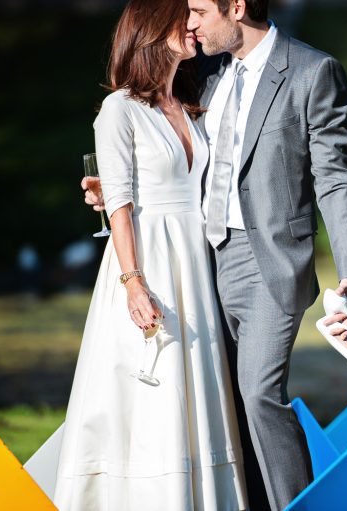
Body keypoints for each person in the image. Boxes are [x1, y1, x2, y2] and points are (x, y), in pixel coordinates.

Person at [84, 0, 347, 508]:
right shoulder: (207, 78)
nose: (190, 23)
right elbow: (169, 162)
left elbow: (333, 177)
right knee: (226, 404)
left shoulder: (312, 71)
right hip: (199, 262)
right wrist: (113, 192)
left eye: (198, 10)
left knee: (260, 392)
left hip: (271, 263)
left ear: (236, 6)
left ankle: (300, 504)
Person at [55, 0, 248, 509]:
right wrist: (132, 281)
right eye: (180, 16)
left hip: (197, 262)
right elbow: (119, 202)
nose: (191, 25)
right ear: (150, 28)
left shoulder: (189, 103)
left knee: (198, 389)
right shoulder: (119, 108)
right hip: (151, 261)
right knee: (153, 389)